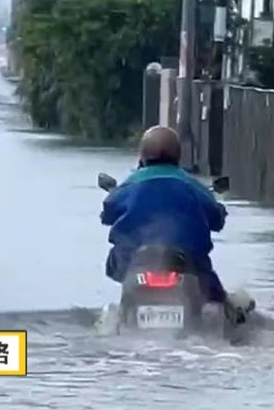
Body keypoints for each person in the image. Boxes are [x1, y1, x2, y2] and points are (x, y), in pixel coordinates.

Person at [100, 125, 246, 316]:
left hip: (135, 263)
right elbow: (217, 221)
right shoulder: (192, 185)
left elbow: (108, 213)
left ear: (142, 155)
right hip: (188, 264)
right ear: (178, 155)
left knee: (116, 261)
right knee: (219, 299)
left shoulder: (129, 185)